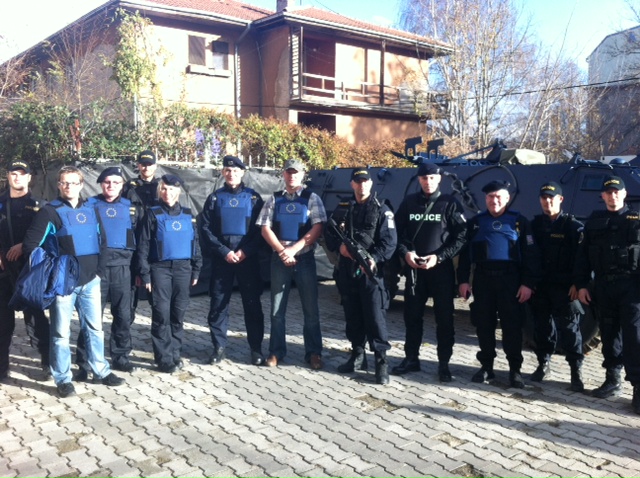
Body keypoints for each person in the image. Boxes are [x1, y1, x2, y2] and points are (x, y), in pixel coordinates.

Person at [23, 165, 124, 398]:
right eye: (64, 182)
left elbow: (103, 241)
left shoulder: (91, 209)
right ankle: (63, 379)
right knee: (60, 334)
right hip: (63, 286)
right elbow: (31, 245)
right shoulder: (49, 212)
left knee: (95, 329)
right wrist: (52, 273)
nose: (69, 186)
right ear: (59, 185)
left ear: (81, 185)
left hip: (91, 282)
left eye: (73, 182)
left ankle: (101, 370)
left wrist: (99, 273)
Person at [458, 180, 540, 388]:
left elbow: (531, 255)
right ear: (485, 199)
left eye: (498, 196)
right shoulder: (476, 222)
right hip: (483, 280)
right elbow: (465, 255)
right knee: (484, 325)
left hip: (510, 280)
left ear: (507, 198)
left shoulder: (519, 222)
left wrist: (527, 284)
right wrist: (463, 281)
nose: (494, 200)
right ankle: (486, 366)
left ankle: (515, 370)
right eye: (490, 197)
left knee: (512, 327)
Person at [390, 163, 467, 382]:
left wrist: (439, 257)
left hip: (441, 270)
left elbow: (461, 237)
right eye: (424, 178)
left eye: (432, 178)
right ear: (419, 180)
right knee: (412, 317)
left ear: (439, 179)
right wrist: (406, 253)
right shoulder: (409, 202)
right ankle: (411, 358)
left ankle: (444, 364)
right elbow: (397, 233)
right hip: (415, 271)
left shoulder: (450, 203)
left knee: (444, 320)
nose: (428, 182)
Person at [574, 175, 640, 413]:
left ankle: (638, 387)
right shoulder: (595, 222)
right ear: (603, 196)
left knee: (634, 337)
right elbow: (583, 256)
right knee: (609, 333)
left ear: (624, 194)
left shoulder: (637, 220)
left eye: (616, 192)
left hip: (632, 286)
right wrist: (582, 284)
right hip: (603, 286)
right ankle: (612, 379)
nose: (613, 196)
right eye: (608, 192)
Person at [325, 167, 397, 384]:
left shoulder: (382, 208)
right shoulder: (343, 208)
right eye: (357, 181)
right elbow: (329, 233)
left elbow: (390, 242)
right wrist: (340, 247)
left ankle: (381, 362)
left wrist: (374, 258)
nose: (361, 185)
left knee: (375, 317)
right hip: (347, 271)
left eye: (365, 181)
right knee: (352, 315)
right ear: (352, 184)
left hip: (370, 272)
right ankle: (357, 355)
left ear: (371, 183)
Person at [257, 158, 326, 369]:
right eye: (288, 172)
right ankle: (276, 352)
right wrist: (282, 251)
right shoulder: (274, 199)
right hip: (279, 260)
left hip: (304, 259)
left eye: (295, 172)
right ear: (283, 174)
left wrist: (293, 250)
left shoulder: (312, 198)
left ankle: (314, 352)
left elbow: (317, 227)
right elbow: (265, 228)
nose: (291, 176)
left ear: (302, 174)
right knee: (277, 310)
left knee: (311, 310)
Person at [75, 167, 141, 379]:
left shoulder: (132, 208)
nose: (111, 186)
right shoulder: (89, 205)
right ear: (101, 184)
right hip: (97, 269)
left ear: (122, 185)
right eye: (107, 182)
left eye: (116, 182)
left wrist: (139, 270)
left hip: (123, 268)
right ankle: (84, 362)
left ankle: (120, 357)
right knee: (91, 318)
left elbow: (141, 240)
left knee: (123, 315)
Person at [200, 155, 266, 366]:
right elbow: (205, 229)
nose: (231, 174)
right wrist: (224, 251)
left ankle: (256, 349)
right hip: (223, 260)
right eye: (228, 170)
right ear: (223, 173)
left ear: (242, 172)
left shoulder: (254, 199)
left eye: (236, 171)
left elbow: (262, 230)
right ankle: (218, 348)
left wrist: (245, 251)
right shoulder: (214, 198)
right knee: (218, 305)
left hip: (247, 260)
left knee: (252, 305)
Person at [137, 174, 202, 373]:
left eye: (171, 189)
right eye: (164, 189)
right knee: (161, 314)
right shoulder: (152, 214)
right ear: (159, 190)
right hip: (160, 270)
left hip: (183, 269)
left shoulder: (188, 214)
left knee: (178, 314)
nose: (167, 192)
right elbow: (143, 245)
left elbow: (195, 243)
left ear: (178, 191)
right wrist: (145, 274)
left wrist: (197, 268)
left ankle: (175, 353)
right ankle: (164, 358)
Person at [529, 181, 584, 392]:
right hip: (541, 286)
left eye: (551, 198)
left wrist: (578, 283)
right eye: (544, 198)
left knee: (570, 330)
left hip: (565, 287)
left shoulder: (573, 227)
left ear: (560, 199)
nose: (547, 201)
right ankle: (543, 363)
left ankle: (576, 371)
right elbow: (528, 255)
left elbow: (582, 258)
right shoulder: (534, 226)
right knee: (542, 328)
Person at [0, 161, 50, 380]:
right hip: (3, 272)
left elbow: (49, 236)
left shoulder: (40, 206)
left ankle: (48, 363)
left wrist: (25, 245)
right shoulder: (1, 203)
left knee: (36, 321)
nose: (18, 177)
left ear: (30, 177)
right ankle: (2, 368)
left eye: (22, 174)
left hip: (30, 272)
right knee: (3, 323)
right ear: (8, 176)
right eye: (14, 173)